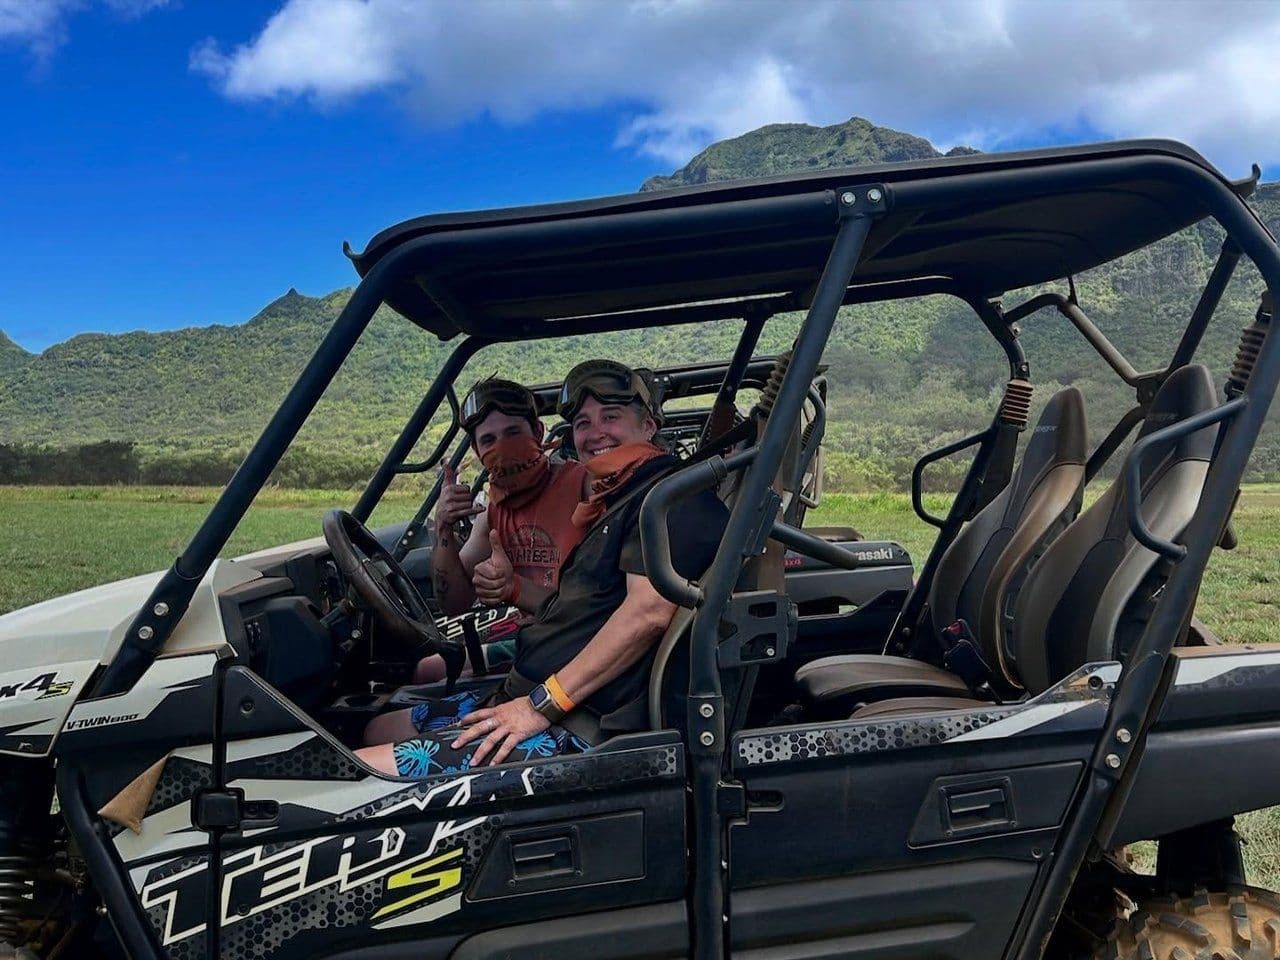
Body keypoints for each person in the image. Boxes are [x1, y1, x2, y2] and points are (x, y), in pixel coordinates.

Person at [356, 360, 728, 776]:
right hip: (534, 689)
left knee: (362, 774)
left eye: (611, 417)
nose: (595, 432)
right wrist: (446, 529)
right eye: (583, 423)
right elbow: (460, 600)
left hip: (578, 720)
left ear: (648, 427)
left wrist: (541, 705)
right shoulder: (619, 499)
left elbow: (646, 615)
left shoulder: (665, 499)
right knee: (376, 728)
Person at [400, 377, 589, 688]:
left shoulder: (581, 485)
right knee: (425, 671)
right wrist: (443, 527)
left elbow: (589, 611)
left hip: (572, 650)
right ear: (476, 449)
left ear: (538, 433)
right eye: (489, 440)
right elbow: (454, 603)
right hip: (530, 640)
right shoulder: (494, 510)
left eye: (513, 433)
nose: (503, 448)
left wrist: (513, 587)